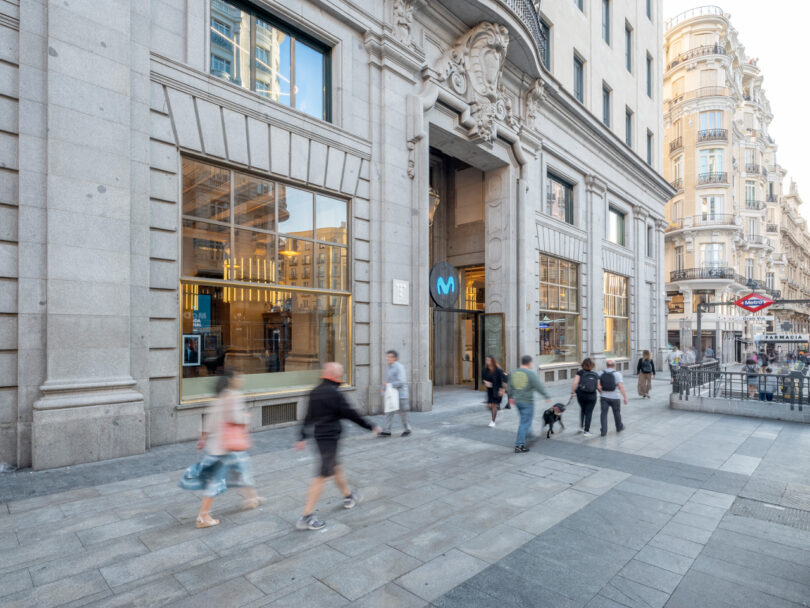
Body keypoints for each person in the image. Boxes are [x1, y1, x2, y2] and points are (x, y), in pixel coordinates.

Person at [295, 362, 380, 531]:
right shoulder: (335, 394)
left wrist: (302, 436)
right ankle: (306, 516)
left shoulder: (315, 392)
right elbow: (351, 414)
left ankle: (348, 496)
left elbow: (308, 416)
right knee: (321, 476)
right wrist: (371, 426)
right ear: (336, 376)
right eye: (340, 375)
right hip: (329, 439)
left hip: (320, 438)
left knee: (337, 468)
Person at [178, 370, 261, 528]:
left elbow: (209, 420)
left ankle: (252, 497)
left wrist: (203, 438)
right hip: (227, 446)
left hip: (219, 445)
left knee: (241, 469)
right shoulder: (233, 396)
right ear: (231, 380)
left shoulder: (220, 397)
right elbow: (235, 418)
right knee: (217, 481)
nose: (241, 378)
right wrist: (246, 417)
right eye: (238, 376)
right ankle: (203, 516)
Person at [507, 355, 550, 453]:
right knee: (525, 422)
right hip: (527, 402)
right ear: (529, 363)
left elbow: (509, 388)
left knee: (525, 420)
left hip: (517, 401)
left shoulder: (514, 373)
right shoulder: (530, 373)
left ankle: (529, 435)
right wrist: (546, 396)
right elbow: (538, 386)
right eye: (532, 363)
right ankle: (519, 445)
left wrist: (510, 397)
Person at [380, 350, 412, 437]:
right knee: (389, 411)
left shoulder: (399, 367)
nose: (387, 358)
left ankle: (407, 429)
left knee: (403, 413)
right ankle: (387, 431)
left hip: (401, 394)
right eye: (387, 356)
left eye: (390, 357)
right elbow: (386, 380)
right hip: (391, 394)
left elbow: (401, 381)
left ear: (395, 358)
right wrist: (383, 388)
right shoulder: (388, 366)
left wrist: (389, 385)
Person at [598, 360, 628, 436]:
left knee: (603, 414)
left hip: (604, 397)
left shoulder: (601, 373)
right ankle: (619, 427)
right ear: (614, 366)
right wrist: (625, 397)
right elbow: (621, 387)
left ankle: (603, 431)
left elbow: (598, 385)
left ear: (607, 365)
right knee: (617, 413)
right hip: (615, 397)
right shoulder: (617, 374)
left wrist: (601, 392)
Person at [570, 357, 599, 437]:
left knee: (583, 409)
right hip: (592, 396)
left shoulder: (580, 372)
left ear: (583, 365)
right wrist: (602, 393)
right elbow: (598, 386)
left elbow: (575, 383)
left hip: (581, 394)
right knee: (589, 412)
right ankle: (587, 431)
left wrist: (572, 392)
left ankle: (581, 427)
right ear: (592, 365)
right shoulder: (595, 374)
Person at [482, 355, 507, 427]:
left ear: (492, 361)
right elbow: (483, 379)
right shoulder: (485, 370)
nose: (487, 362)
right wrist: (486, 382)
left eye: (488, 360)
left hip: (497, 390)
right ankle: (496, 408)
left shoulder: (498, 370)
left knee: (493, 405)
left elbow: (504, 380)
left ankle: (493, 421)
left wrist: (502, 390)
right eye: (486, 360)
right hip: (489, 391)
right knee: (489, 405)